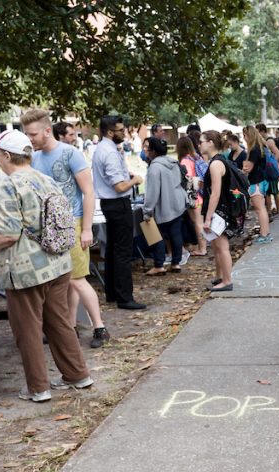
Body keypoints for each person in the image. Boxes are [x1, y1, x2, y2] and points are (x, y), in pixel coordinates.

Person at [0, 130, 93, 402]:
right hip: (58, 263)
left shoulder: (9, 184)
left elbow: (8, 234)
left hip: (26, 271)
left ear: (6, 155)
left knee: (28, 331)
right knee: (59, 323)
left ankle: (38, 387)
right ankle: (77, 374)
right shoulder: (45, 179)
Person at [23, 109, 111, 349]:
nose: (29, 139)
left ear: (47, 130)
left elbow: (89, 192)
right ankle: (70, 325)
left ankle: (99, 327)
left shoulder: (71, 153)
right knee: (66, 280)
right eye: (27, 134)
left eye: (32, 134)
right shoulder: (35, 158)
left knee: (78, 280)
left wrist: (86, 228)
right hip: (48, 228)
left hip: (72, 223)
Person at [91, 115, 146, 311]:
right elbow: (120, 186)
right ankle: (125, 297)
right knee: (122, 251)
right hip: (117, 204)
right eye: (121, 130)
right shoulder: (109, 152)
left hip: (110, 204)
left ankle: (113, 292)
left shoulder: (104, 149)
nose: (124, 133)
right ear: (109, 132)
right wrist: (135, 180)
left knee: (114, 250)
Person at [199, 131, 242, 292]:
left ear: (210, 143)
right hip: (220, 209)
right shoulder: (217, 161)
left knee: (222, 247)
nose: (199, 145)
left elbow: (216, 193)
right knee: (217, 246)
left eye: (201, 141)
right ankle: (221, 277)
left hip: (220, 211)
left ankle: (227, 280)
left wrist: (208, 218)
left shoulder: (216, 164)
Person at [142, 136, 188, 275]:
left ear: (153, 151)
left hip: (164, 205)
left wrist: (147, 210)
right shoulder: (173, 162)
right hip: (178, 202)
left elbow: (152, 192)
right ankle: (176, 263)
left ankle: (159, 265)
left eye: (146, 148)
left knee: (154, 233)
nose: (144, 150)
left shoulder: (155, 167)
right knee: (176, 233)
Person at [176, 136, 208, 257]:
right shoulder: (196, 158)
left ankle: (202, 248)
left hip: (193, 196)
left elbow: (189, 180)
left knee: (198, 223)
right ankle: (202, 246)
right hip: (199, 194)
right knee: (199, 222)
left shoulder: (185, 161)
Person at [242, 125, 272, 244]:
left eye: (244, 135)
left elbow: (247, 168)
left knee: (260, 209)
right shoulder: (260, 147)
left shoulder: (254, 149)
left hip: (256, 182)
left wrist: (243, 167)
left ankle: (264, 235)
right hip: (262, 181)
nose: (243, 138)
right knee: (261, 209)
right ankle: (265, 233)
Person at [256, 123, 279, 220]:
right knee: (267, 192)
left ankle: (278, 211)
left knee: (274, 191)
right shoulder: (263, 141)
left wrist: (271, 164)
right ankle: (270, 211)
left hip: (270, 171)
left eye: (258, 132)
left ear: (262, 131)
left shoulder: (269, 141)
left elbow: (278, 154)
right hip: (267, 171)